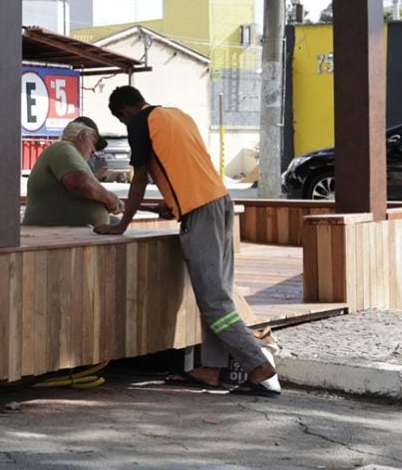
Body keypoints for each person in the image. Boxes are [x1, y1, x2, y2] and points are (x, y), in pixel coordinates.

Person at [96, 85, 282, 397]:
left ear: (124, 112)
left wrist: (121, 226)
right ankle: (210, 369)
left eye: (121, 120)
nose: (125, 125)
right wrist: (174, 201)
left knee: (214, 301)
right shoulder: (177, 115)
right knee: (215, 295)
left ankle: (258, 367)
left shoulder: (139, 122)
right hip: (220, 203)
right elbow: (186, 166)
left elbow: (139, 177)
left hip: (200, 212)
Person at [23, 116, 125, 227]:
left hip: (69, 231)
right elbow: (79, 182)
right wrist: (109, 198)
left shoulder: (69, 155)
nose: (94, 152)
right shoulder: (62, 148)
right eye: (94, 143)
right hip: (54, 233)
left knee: (117, 223)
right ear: (83, 136)